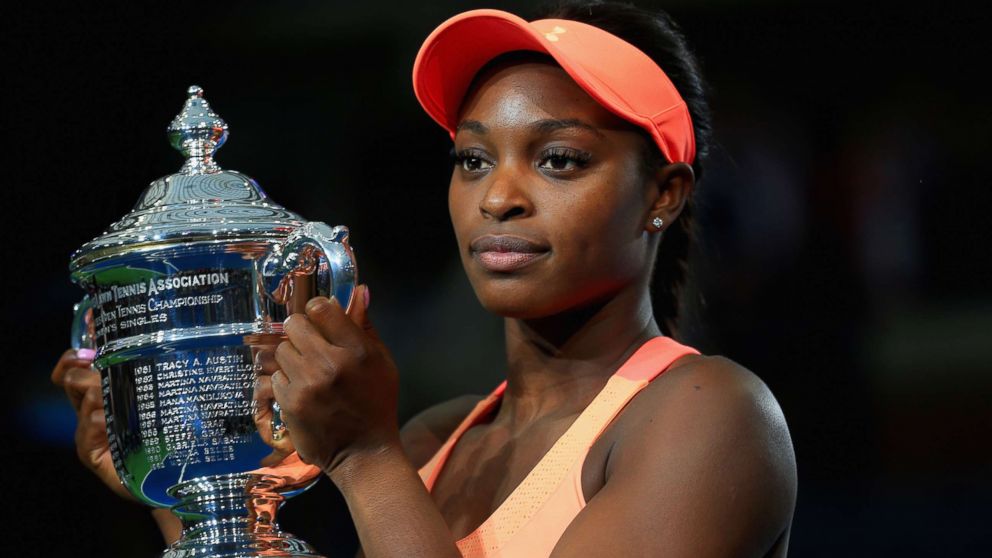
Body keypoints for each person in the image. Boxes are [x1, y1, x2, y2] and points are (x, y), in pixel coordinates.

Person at [52, 2, 797, 556]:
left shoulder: (712, 415)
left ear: (663, 195)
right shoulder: (436, 440)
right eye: (473, 160)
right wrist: (192, 487)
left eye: (559, 159)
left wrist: (366, 457)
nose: (498, 197)